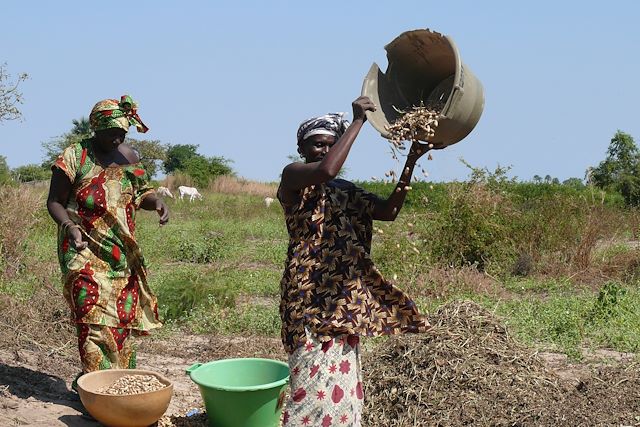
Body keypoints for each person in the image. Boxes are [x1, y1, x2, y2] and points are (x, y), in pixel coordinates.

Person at [278, 95, 436, 426]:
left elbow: (388, 211)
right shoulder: (293, 178)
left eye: (329, 144)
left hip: (342, 300)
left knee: (342, 378)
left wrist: (410, 160)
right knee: (308, 375)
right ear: (302, 148)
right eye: (316, 144)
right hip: (307, 296)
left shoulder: (344, 191)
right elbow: (325, 169)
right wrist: (359, 121)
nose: (322, 150)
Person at [46, 95, 169, 385]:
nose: (117, 139)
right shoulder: (75, 156)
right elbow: (54, 201)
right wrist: (68, 225)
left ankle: (121, 384)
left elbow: (141, 194)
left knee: (121, 321)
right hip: (83, 248)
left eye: (122, 133)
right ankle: (96, 388)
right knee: (91, 317)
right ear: (96, 129)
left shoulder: (130, 157)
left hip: (120, 252)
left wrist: (158, 203)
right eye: (112, 133)